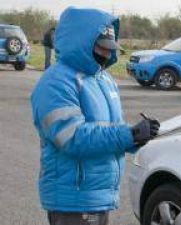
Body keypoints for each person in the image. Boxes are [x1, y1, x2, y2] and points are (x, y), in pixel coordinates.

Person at [30, 7, 160, 225]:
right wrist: (128, 134)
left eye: (111, 48)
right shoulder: (55, 83)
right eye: (102, 47)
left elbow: (111, 131)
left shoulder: (103, 80)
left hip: (98, 195)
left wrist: (137, 136)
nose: (108, 54)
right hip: (72, 199)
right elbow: (72, 137)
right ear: (81, 41)